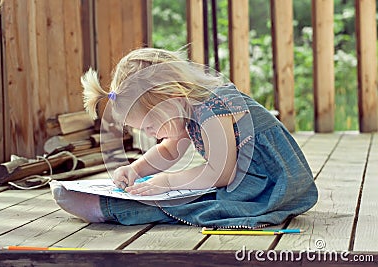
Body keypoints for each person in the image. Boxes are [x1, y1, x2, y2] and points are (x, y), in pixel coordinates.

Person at [50, 47, 318, 228]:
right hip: (246, 179)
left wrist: (167, 181)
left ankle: (109, 209)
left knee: (200, 205)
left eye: (152, 125)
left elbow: (221, 173)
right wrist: (135, 168)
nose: (152, 134)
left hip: (272, 183)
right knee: (186, 194)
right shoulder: (186, 110)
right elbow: (168, 151)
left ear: (173, 98)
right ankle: (109, 205)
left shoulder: (214, 104)